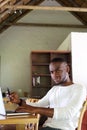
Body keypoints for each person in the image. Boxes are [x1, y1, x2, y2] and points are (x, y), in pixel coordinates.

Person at [10, 57, 86, 130]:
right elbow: (38, 105)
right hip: (47, 127)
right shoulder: (54, 89)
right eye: (52, 72)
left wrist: (36, 110)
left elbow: (68, 113)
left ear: (67, 69)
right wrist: (19, 101)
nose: (54, 75)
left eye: (58, 70)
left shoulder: (79, 89)